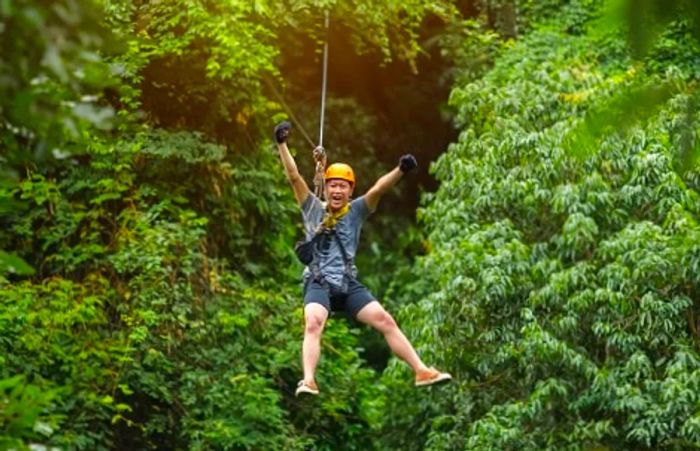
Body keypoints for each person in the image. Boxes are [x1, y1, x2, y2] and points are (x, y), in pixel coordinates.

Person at [274, 120, 452, 396]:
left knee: (385, 320)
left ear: (350, 191)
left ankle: (421, 370)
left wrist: (400, 171)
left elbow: (378, 190)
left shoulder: (356, 211)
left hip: (347, 284)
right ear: (325, 186)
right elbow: (294, 177)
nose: (336, 191)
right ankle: (308, 380)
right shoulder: (312, 208)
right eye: (332, 185)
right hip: (319, 282)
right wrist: (282, 144)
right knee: (313, 322)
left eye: (342, 187)